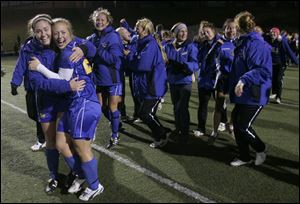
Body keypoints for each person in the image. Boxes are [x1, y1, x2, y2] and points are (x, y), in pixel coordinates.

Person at [29, 17, 103, 201]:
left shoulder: (68, 52)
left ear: (71, 34)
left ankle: (95, 186)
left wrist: (40, 68)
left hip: (83, 102)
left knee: (80, 146)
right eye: (57, 34)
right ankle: (81, 174)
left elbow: (63, 81)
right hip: (73, 104)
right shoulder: (65, 48)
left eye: (63, 33)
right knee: (61, 144)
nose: (59, 36)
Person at [228, 11, 272, 167]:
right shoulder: (243, 43)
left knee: (243, 126)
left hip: (255, 92)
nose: (232, 30)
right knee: (238, 126)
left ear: (240, 27)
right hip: (245, 92)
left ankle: (261, 149)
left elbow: (262, 70)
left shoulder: (255, 44)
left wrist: (242, 80)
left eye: (234, 26)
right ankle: (244, 156)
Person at [127, 18, 169, 148]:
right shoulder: (142, 42)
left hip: (153, 86)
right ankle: (162, 133)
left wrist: (130, 54)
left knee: (145, 114)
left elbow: (141, 65)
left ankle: (162, 135)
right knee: (147, 114)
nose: (135, 28)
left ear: (145, 29)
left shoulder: (150, 44)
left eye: (138, 26)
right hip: (148, 85)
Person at [87, 7, 124, 149]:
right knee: (98, 109)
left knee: (112, 107)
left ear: (108, 22)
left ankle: (115, 135)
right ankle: (110, 125)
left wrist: (98, 50)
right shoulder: (93, 37)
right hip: (98, 79)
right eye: (97, 20)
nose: (100, 22)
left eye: (103, 20)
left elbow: (114, 59)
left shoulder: (113, 36)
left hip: (113, 79)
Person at [164, 22, 198, 143]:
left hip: (185, 81)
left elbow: (195, 64)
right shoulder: (167, 47)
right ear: (176, 33)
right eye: (181, 31)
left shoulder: (191, 46)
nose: (184, 34)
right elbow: (163, 61)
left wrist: (184, 66)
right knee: (176, 106)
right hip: (173, 81)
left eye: (185, 31)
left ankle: (184, 130)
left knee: (182, 107)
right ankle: (178, 127)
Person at [208, 18, 237, 143]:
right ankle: (215, 131)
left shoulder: (239, 42)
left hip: (236, 79)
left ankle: (230, 125)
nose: (231, 30)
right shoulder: (219, 42)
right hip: (222, 78)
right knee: (219, 106)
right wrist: (216, 46)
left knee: (238, 106)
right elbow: (209, 58)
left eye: (233, 28)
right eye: (228, 28)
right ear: (224, 29)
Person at [193, 20, 221, 137]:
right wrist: (199, 43)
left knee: (220, 106)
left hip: (217, 80)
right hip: (204, 79)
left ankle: (222, 123)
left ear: (213, 31)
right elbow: (198, 59)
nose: (205, 34)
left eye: (208, 32)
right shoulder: (201, 44)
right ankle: (201, 128)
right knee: (202, 105)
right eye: (203, 33)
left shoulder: (221, 43)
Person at [265, 27, 299, 104]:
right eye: (271, 33)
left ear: (278, 34)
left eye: (274, 33)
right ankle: (273, 93)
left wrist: (296, 62)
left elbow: (289, 51)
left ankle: (278, 97)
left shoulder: (282, 41)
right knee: (271, 80)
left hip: (280, 64)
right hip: (271, 64)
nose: (272, 34)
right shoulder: (268, 40)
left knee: (278, 80)